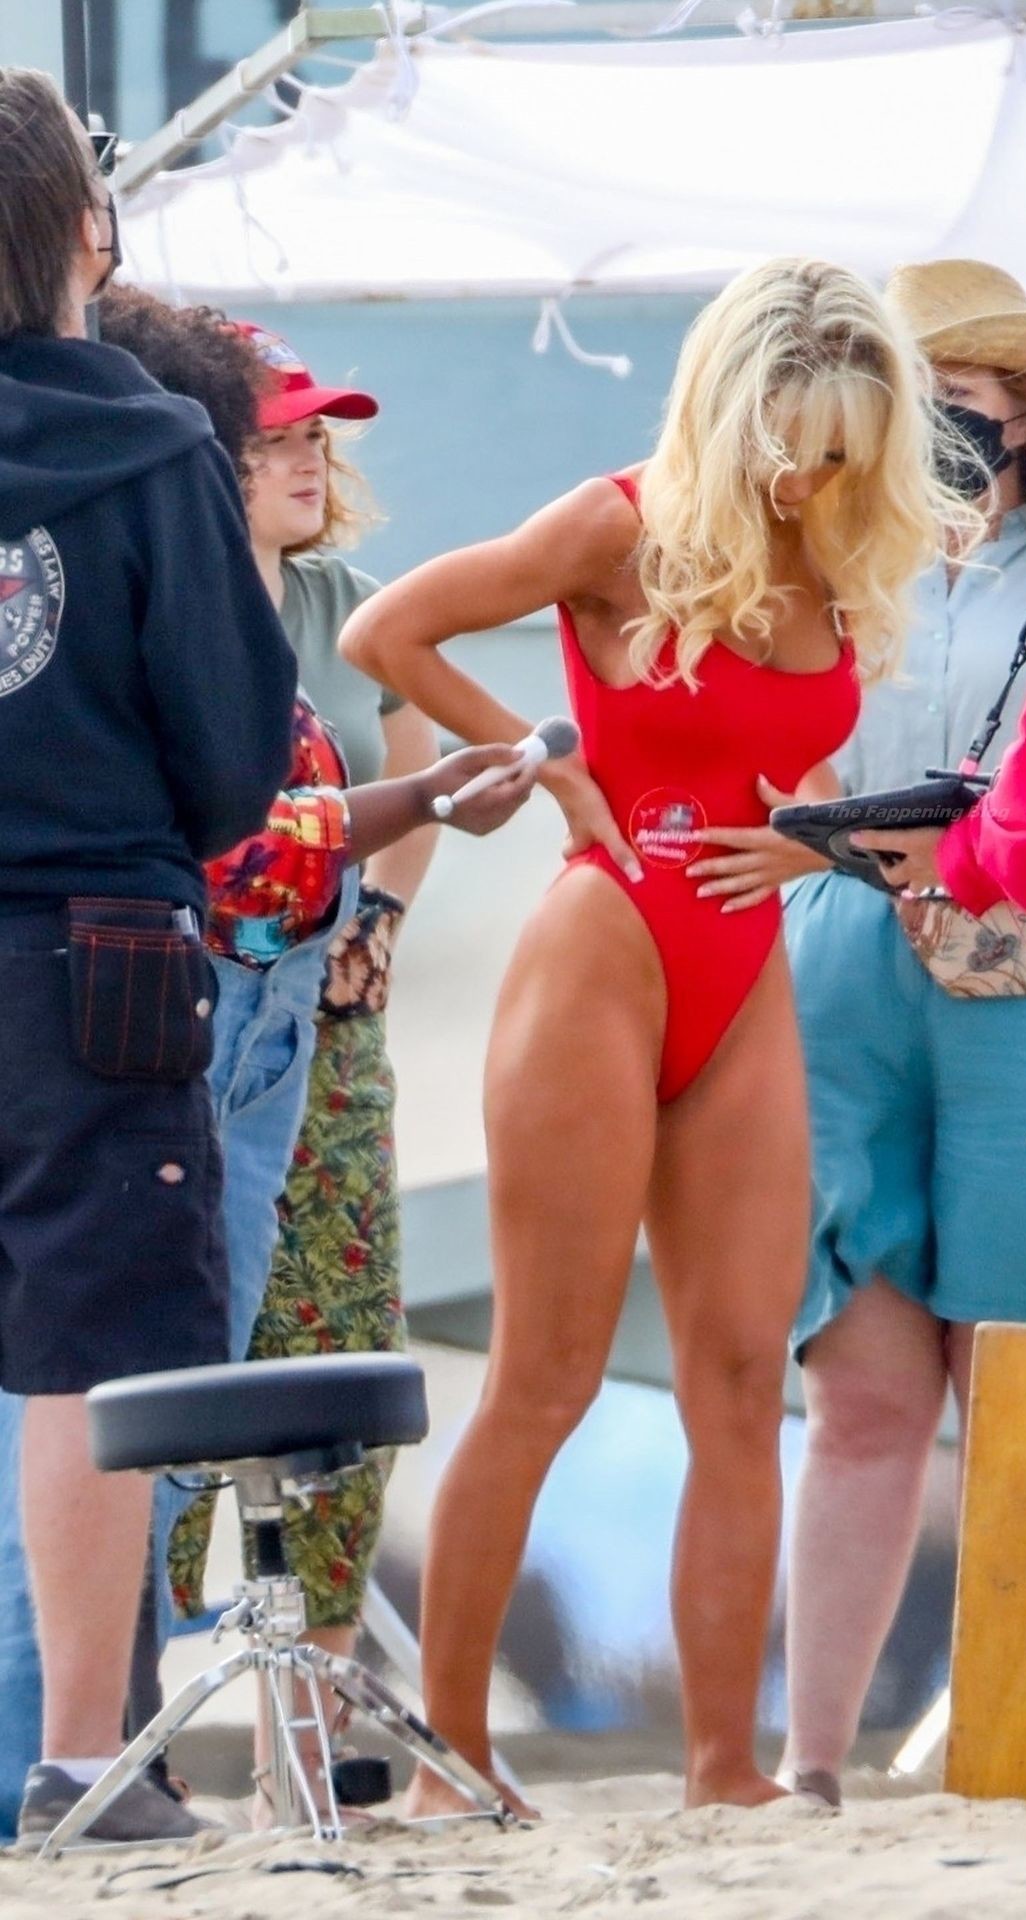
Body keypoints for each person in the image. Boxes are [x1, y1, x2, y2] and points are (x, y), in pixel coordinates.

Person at [340, 257, 972, 1815]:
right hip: (603, 947)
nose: (806, 475)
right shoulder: (616, 523)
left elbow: (810, 780)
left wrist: (811, 846)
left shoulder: (841, 548)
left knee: (745, 1378)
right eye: (788, 442)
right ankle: (451, 1760)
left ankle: (721, 1768)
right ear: (727, 405)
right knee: (545, 1376)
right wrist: (543, 764)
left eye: (840, 448)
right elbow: (388, 633)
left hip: (741, 966)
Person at [0, 292, 537, 1843]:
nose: (297, 459)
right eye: (264, 438)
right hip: (165, 990)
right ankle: (77, 1754)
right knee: (115, 1387)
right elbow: (240, 815)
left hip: (227, 998)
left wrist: (403, 815)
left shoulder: (286, 587)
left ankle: (102, 1749)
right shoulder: (145, 489)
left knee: (148, 1388)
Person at [689, 260, 1026, 1805]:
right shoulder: (810, 552)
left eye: (961, 407)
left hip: (1017, 965)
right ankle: (811, 1761)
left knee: (1018, 1380)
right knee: (856, 1395)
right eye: (903, 407)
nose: (928, 439)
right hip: (839, 969)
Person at [0, 68, 297, 1845]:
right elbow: (234, 751)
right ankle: (79, 1760)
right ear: (78, 229)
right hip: (92, 951)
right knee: (90, 1353)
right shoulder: (148, 441)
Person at [156, 317, 447, 1823]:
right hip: (193, 1005)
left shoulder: (351, 605)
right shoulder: (169, 594)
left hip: (329, 1016)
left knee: (334, 1335)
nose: (306, 461)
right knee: (169, 1347)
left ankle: (304, 1737)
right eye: (273, 440)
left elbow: (415, 774)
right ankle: (133, 1713)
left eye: (316, 436)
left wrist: (379, 918)